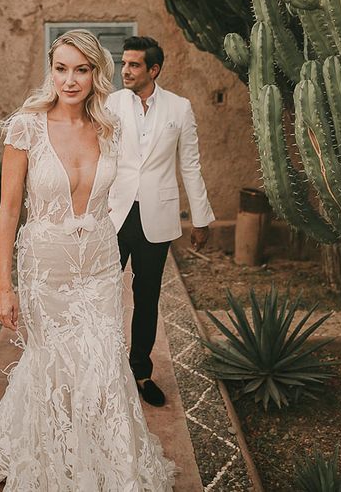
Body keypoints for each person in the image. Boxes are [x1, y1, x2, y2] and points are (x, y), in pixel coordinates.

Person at [0, 30, 176, 490]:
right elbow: (8, 210)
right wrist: (3, 285)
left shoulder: (109, 127)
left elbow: (131, 186)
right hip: (44, 268)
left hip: (98, 263)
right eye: (61, 68)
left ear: (96, 73)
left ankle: (111, 460)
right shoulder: (26, 127)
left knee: (103, 361)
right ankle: (47, 459)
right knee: (52, 364)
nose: (70, 80)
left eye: (81, 69)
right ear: (50, 69)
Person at [107, 36, 215, 407]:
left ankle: (140, 371)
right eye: (123, 64)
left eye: (134, 65)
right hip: (114, 213)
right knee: (103, 294)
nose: (125, 70)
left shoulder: (179, 108)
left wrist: (200, 219)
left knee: (146, 297)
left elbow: (190, 164)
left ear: (153, 70)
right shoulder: (110, 103)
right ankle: (103, 369)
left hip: (157, 215)